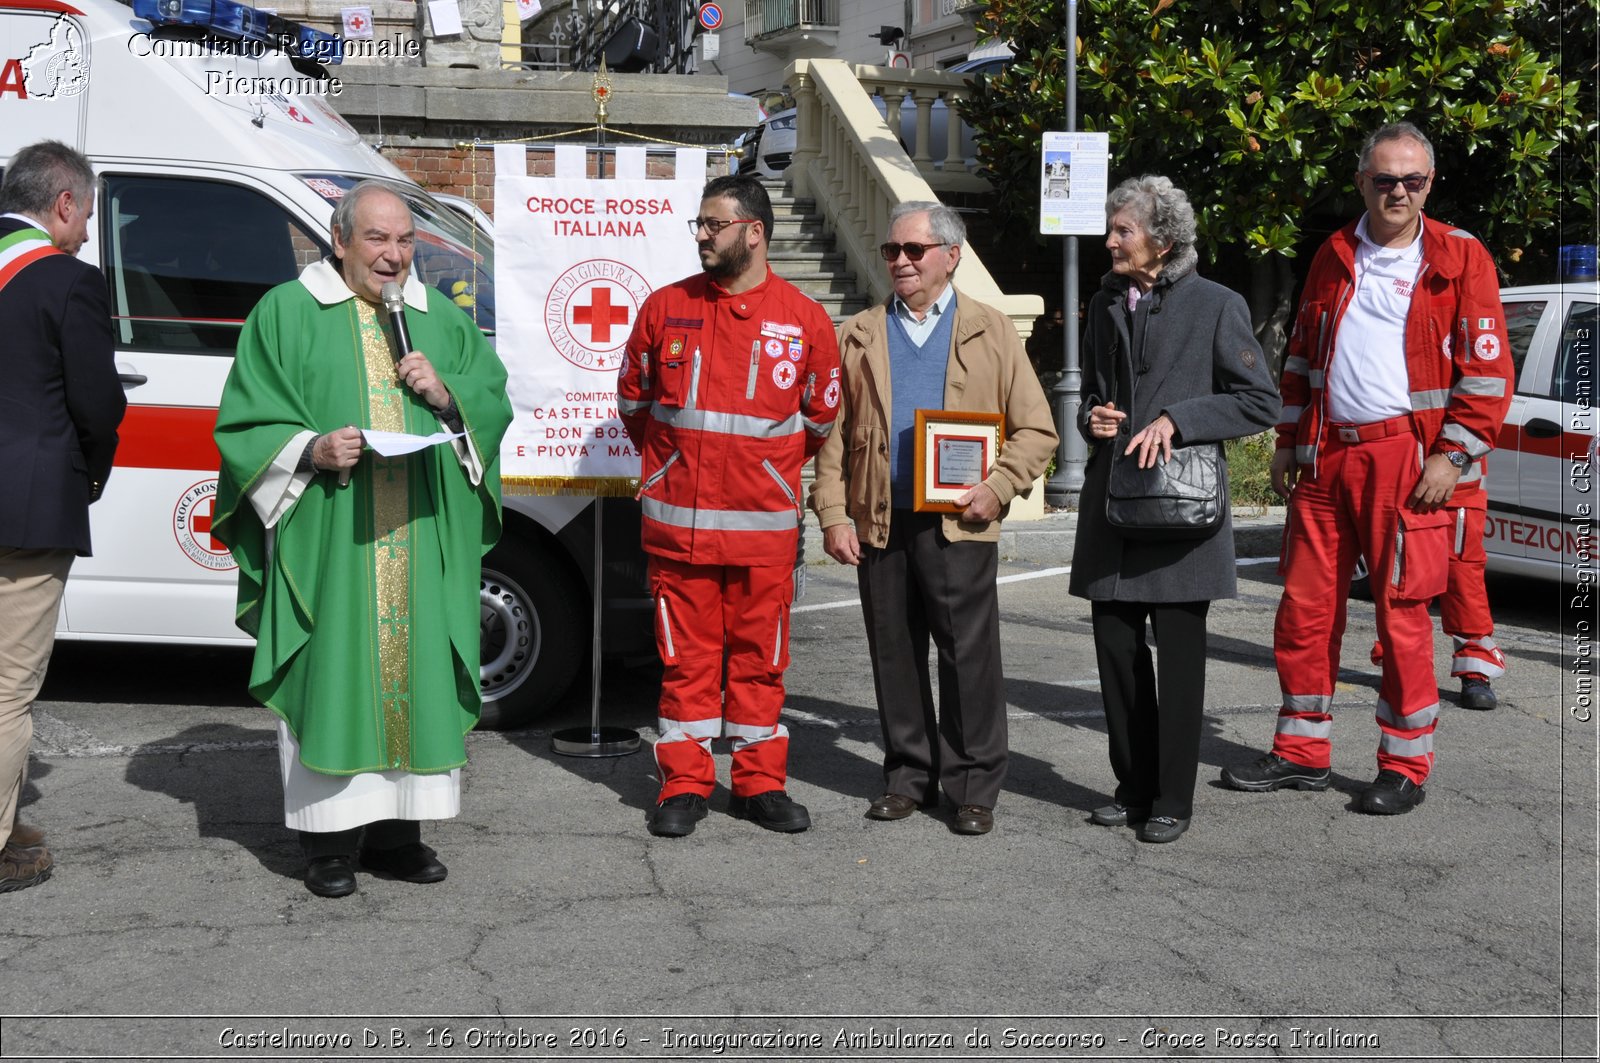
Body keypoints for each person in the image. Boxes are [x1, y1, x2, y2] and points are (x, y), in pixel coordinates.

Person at [213, 182, 512, 896]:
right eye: (378, 239)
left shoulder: (437, 317)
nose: (395, 256)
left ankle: (401, 836)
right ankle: (329, 844)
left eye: (406, 240)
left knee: (418, 676)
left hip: (418, 536)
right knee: (335, 678)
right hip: (333, 537)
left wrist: (447, 396)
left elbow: (491, 395)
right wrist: (311, 451)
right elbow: (246, 420)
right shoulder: (287, 312)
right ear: (340, 240)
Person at [1221, 122, 1513, 815]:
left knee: (1403, 613)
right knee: (1304, 607)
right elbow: (1301, 357)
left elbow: (1487, 372)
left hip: (1407, 459)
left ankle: (1405, 763)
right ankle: (1301, 750)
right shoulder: (1333, 252)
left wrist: (1452, 454)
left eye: (1413, 181)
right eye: (1385, 180)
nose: (1399, 192)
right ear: (1362, 183)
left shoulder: (1461, 257)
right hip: (1326, 454)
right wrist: (1288, 441)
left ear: (1430, 184)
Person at [810, 200, 1057, 836]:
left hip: (960, 522)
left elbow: (1037, 430)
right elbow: (833, 439)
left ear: (951, 255)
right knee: (893, 653)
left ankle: (973, 786)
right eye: (892, 251)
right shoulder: (858, 332)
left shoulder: (992, 329)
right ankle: (907, 777)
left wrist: (997, 487)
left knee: (967, 656)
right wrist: (834, 513)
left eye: (913, 251)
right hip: (880, 519)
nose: (900, 261)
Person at [617, 174, 841, 838]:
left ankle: (759, 783)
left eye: (713, 224)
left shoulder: (805, 320)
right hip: (676, 533)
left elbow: (821, 420)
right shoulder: (664, 309)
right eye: (700, 224)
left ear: (755, 232)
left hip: (762, 535)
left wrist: (763, 476)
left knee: (760, 662)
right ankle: (684, 783)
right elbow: (633, 406)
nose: (702, 236)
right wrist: (671, 468)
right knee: (684, 662)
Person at [1070, 176, 1280, 844]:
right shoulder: (1101, 303)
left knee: (1181, 659)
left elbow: (1259, 400)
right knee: (1114, 649)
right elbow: (1091, 393)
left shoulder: (1218, 304)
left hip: (1183, 509)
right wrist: (1091, 418)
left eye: (1121, 231)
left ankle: (1172, 798)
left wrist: (1178, 419)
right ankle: (1132, 785)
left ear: (1161, 240)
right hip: (1112, 506)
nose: (1108, 241)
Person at [0, 140, 126, 893]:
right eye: (84, 216)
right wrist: (93, 465)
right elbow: (97, 403)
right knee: (9, 684)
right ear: (64, 204)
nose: (83, 232)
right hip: (26, 504)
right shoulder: (66, 279)